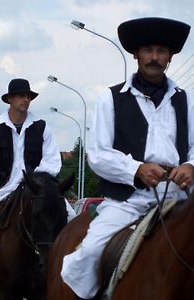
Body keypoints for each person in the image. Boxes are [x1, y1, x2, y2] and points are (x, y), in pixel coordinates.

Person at [61, 17, 194, 300]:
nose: (155, 57)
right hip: (128, 201)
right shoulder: (110, 98)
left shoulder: (187, 100)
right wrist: (136, 169)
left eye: (161, 50)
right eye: (148, 50)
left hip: (181, 199)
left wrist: (190, 166)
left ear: (170, 56)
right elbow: (97, 154)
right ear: (136, 54)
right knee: (90, 251)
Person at [0, 78, 76, 299]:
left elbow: (52, 161)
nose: (25, 99)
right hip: (0, 190)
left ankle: (71, 273)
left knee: (71, 216)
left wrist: (36, 181)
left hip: (35, 187)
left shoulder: (41, 127)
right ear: (10, 99)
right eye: (21, 96)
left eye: (28, 96)